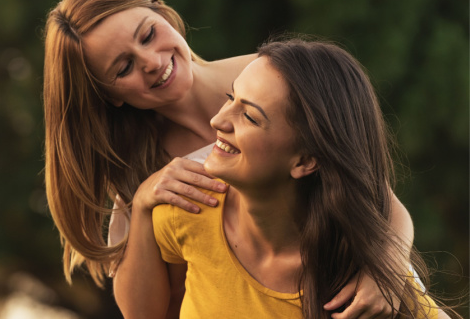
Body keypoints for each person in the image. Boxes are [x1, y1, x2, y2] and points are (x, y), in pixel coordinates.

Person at [43, 0, 415, 317]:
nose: (153, 62)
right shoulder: (140, 167)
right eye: (123, 68)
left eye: (147, 35)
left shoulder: (274, 77)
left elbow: (377, 197)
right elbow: (145, 313)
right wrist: (141, 203)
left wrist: (389, 270)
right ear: (108, 95)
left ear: (163, 12)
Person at [137, 38, 453, 318]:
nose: (217, 120)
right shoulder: (189, 208)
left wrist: (390, 267)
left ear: (305, 161)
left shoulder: (363, 286)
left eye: (249, 116)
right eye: (230, 97)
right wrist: (139, 204)